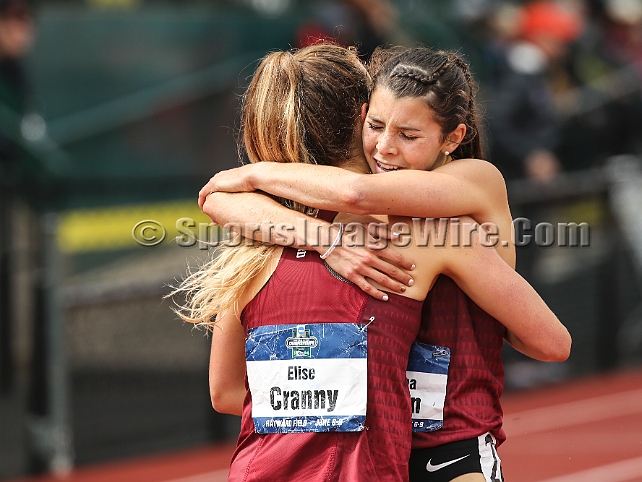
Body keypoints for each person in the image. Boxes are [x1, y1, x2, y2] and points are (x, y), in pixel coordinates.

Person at [178, 44, 570, 482]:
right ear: (360, 116)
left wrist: (252, 175)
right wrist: (326, 240)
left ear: (453, 138)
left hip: (451, 448)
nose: (385, 148)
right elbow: (231, 205)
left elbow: (353, 193)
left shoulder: (465, 192)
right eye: (375, 126)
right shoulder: (339, 229)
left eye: (409, 135)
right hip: (383, 446)